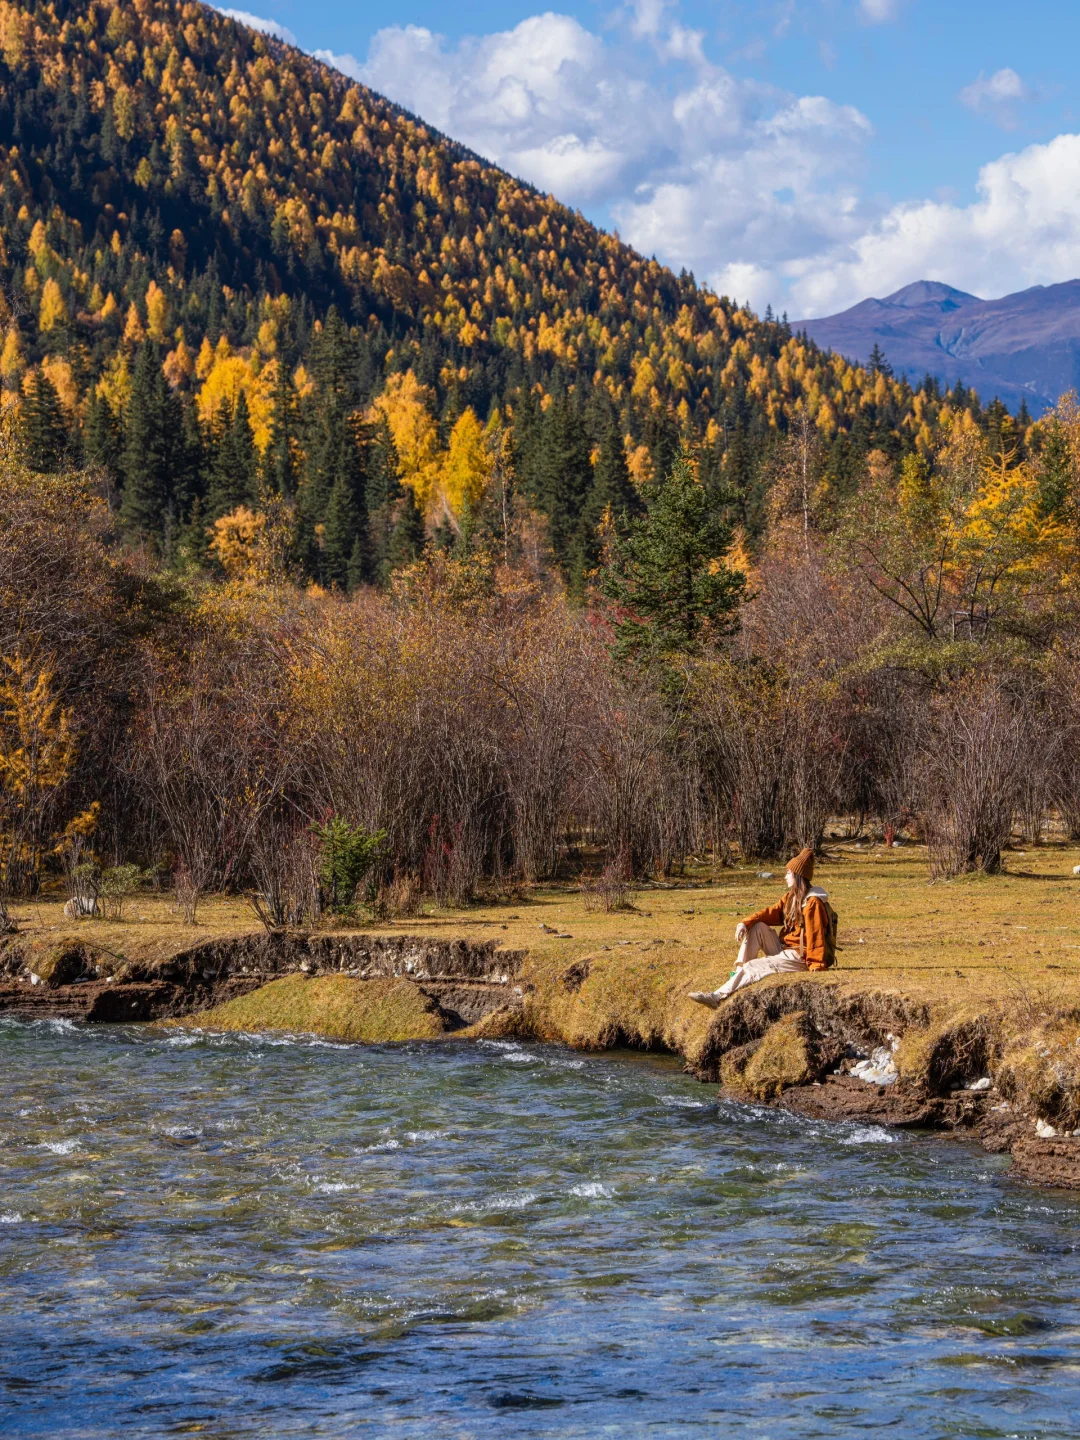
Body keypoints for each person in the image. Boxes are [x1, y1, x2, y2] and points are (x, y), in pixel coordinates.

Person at [689, 847, 833, 1008]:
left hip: (800, 958)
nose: (785, 877)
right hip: (785, 950)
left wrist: (816, 968)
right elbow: (771, 912)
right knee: (757, 926)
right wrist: (745, 923)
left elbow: (816, 937)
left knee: (753, 966)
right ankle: (738, 973)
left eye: (788, 873)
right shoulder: (792, 897)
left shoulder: (813, 903)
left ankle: (717, 998)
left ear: (798, 875)